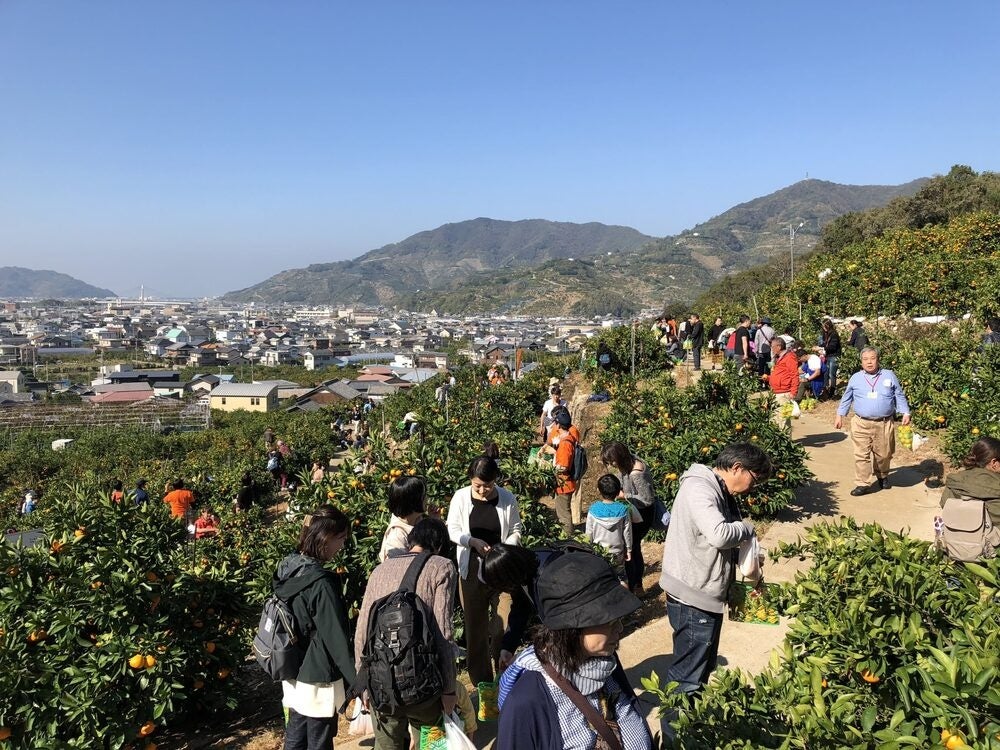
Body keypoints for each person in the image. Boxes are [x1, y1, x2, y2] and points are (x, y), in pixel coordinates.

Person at [497, 551, 653, 750]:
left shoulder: (605, 663)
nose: (620, 628)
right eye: (609, 621)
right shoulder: (526, 701)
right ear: (572, 628)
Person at [660, 443, 771, 695]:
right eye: (755, 480)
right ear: (737, 468)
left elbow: (711, 539)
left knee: (700, 673)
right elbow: (719, 534)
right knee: (686, 681)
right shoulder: (699, 488)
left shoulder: (719, 491)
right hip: (692, 598)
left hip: (703, 595)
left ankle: (692, 718)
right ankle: (676, 722)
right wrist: (747, 528)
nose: (752, 488)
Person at [355, 517, 457, 750]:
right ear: (440, 545)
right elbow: (444, 632)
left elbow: (363, 629)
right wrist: (449, 689)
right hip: (423, 685)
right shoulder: (442, 566)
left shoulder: (380, 570)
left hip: (381, 682)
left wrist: (363, 682)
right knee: (431, 744)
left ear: (411, 541)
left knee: (387, 745)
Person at [274, 506, 356, 750]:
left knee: (296, 737)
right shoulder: (320, 583)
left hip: (292, 665)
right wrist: (356, 681)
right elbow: (336, 638)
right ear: (325, 538)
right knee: (319, 741)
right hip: (318, 674)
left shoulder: (288, 567)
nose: (342, 545)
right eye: (341, 538)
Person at [446, 455, 523, 686]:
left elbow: (516, 529)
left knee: (503, 626)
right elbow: (452, 529)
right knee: (475, 629)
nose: (481, 490)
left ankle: (503, 676)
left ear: (495, 479)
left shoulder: (507, 498)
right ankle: (483, 683)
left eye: (487, 485)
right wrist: (471, 541)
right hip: (471, 571)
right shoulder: (461, 497)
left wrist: (505, 548)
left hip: (501, 572)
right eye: (477, 485)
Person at [835, 346, 911, 496]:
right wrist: (840, 415)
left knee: (884, 454)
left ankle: (882, 475)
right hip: (861, 423)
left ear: (878, 360)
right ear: (861, 362)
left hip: (884, 423)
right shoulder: (856, 378)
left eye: (872, 358)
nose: (869, 362)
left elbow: (899, 395)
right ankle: (862, 483)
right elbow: (846, 398)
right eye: (865, 359)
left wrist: (905, 412)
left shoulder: (889, 375)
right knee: (861, 454)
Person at [600, 441, 656, 594]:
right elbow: (621, 479)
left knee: (631, 549)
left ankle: (635, 585)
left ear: (620, 456)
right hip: (634, 511)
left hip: (642, 515)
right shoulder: (627, 463)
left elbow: (647, 499)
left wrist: (625, 495)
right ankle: (637, 585)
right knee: (633, 549)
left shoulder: (636, 473)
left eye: (612, 461)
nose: (612, 465)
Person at [939, 436, 1000, 526]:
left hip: (956, 532)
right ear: (994, 463)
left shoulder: (956, 479)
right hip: (989, 534)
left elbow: (944, 503)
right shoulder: (996, 484)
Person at [586, 475, 632, 579]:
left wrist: (588, 549)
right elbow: (627, 532)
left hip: (599, 551)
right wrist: (628, 549)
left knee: (602, 578)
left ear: (599, 490)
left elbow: (589, 533)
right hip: (617, 551)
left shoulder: (593, 509)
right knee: (620, 577)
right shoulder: (623, 509)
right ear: (618, 491)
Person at [546, 410, 580, 536]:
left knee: (564, 514)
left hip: (564, 484)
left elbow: (564, 467)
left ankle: (568, 537)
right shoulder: (567, 439)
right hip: (565, 483)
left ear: (559, 425)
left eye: (555, 424)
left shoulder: (565, 444)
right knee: (563, 511)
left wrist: (550, 468)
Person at [379, 475, 426, 562]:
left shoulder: (417, 520)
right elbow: (398, 567)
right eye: (423, 496)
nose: (427, 499)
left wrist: (435, 520)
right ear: (414, 501)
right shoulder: (397, 536)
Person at [818, 318, 842, 397]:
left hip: (834, 356)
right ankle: (825, 389)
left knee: (832, 374)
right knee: (826, 372)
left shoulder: (834, 334)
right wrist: (819, 347)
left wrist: (822, 348)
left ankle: (832, 390)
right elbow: (826, 344)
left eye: (824, 326)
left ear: (828, 325)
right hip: (828, 355)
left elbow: (832, 346)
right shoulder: (827, 334)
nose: (823, 328)